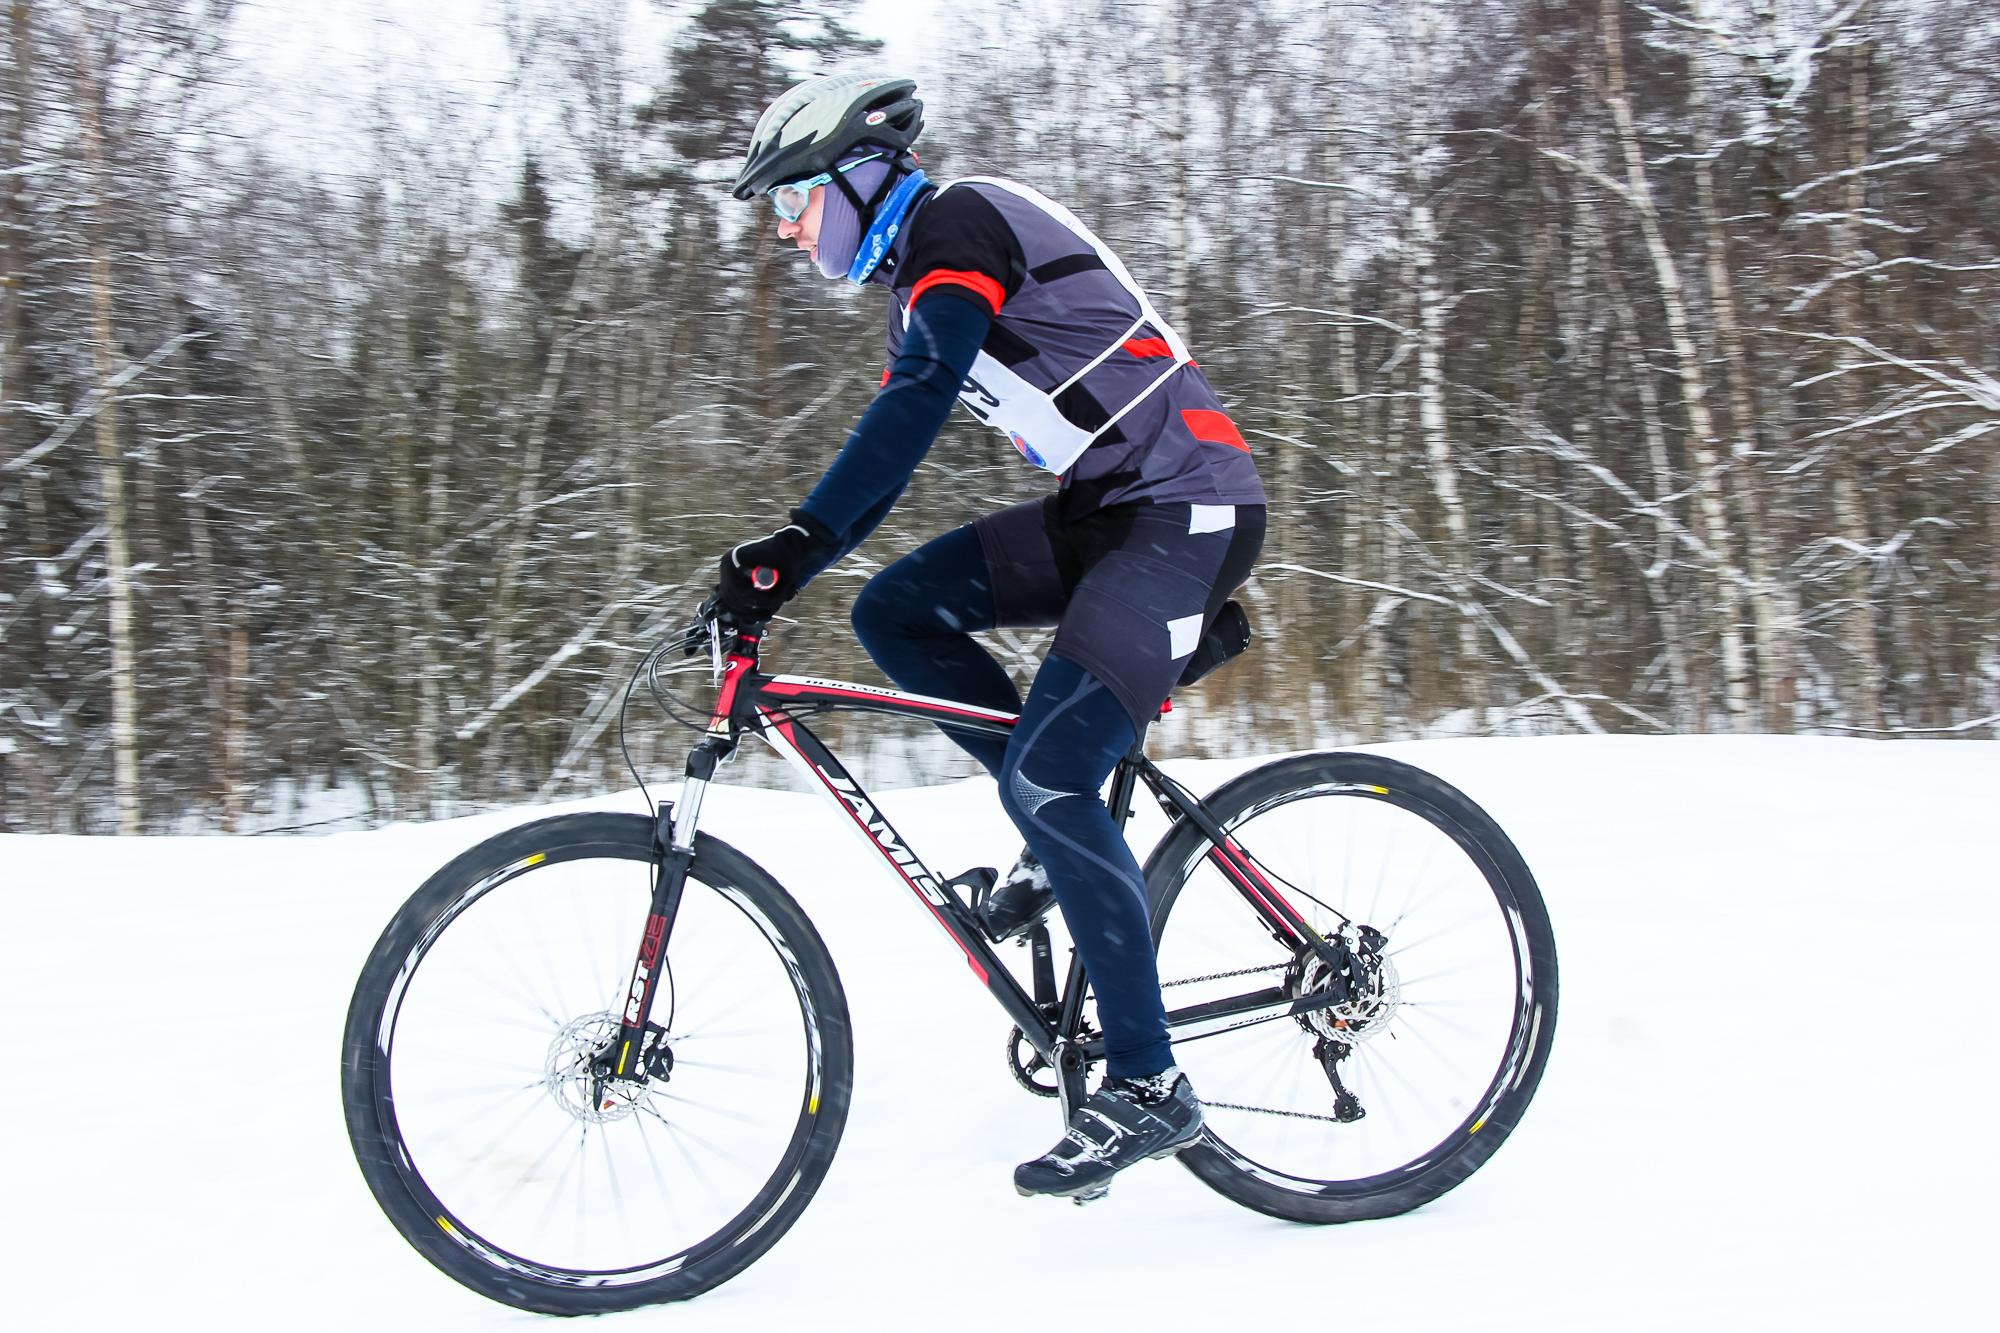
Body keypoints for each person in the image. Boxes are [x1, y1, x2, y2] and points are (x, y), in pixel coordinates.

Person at [711, 72, 1265, 1202]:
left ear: (858, 177)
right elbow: (908, 404)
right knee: (894, 613)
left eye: (791, 199)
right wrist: (794, 564)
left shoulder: (952, 225)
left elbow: (913, 406)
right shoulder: (915, 287)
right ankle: (1052, 821)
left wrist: (793, 547)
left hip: (1184, 506)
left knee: (1052, 780)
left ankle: (1150, 1083)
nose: (782, 227)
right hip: (1107, 512)